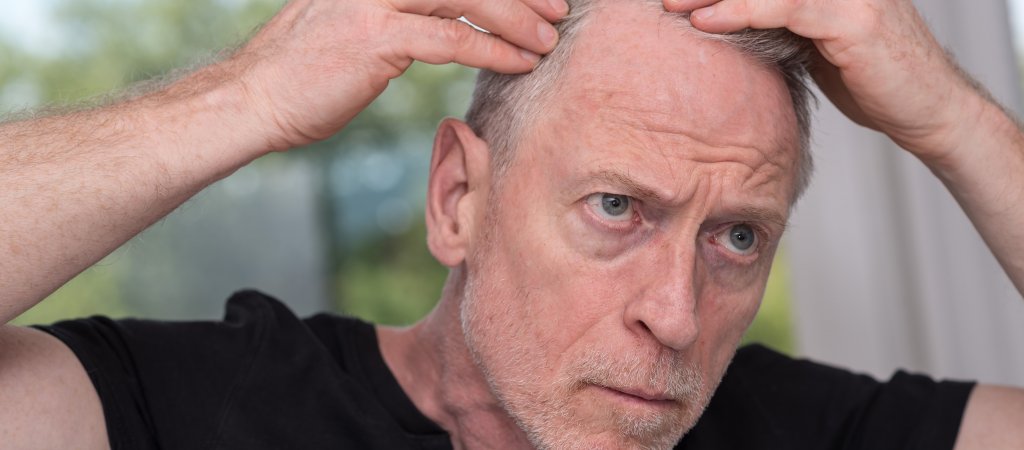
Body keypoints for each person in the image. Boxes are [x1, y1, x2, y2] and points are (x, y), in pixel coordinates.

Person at [1, 0, 1022, 448]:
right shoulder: (203, 408)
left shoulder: (796, 428)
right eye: (617, 207)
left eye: (737, 238)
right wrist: (248, 95)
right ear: (459, 198)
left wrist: (954, 119)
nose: (675, 316)